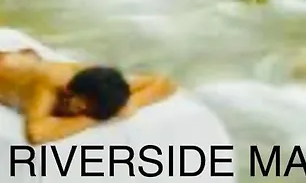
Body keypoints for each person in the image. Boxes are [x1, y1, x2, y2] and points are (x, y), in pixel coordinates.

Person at [0, 48, 177, 144]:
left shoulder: (102, 86)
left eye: (85, 108)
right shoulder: (50, 82)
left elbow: (165, 83)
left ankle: (25, 59)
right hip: (10, 69)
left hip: (24, 65)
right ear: (70, 89)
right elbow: (36, 134)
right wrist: (93, 118)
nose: (74, 107)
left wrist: (126, 103)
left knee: (27, 61)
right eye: (77, 103)